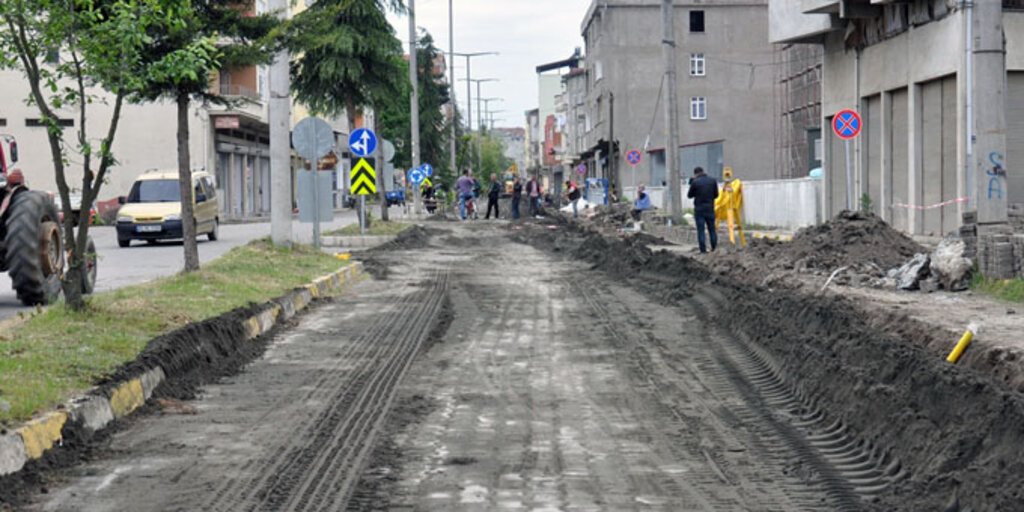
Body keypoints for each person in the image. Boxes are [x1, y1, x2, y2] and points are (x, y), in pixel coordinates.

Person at [688, 166, 719, 253]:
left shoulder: (695, 182)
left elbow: (689, 195)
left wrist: (692, 183)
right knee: (712, 229)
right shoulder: (712, 181)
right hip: (710, 208)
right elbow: (716, 195)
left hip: (699, 209)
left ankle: (703, 250)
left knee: (701, 230)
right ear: (703, 171)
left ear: (695, 174)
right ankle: (714, 248)